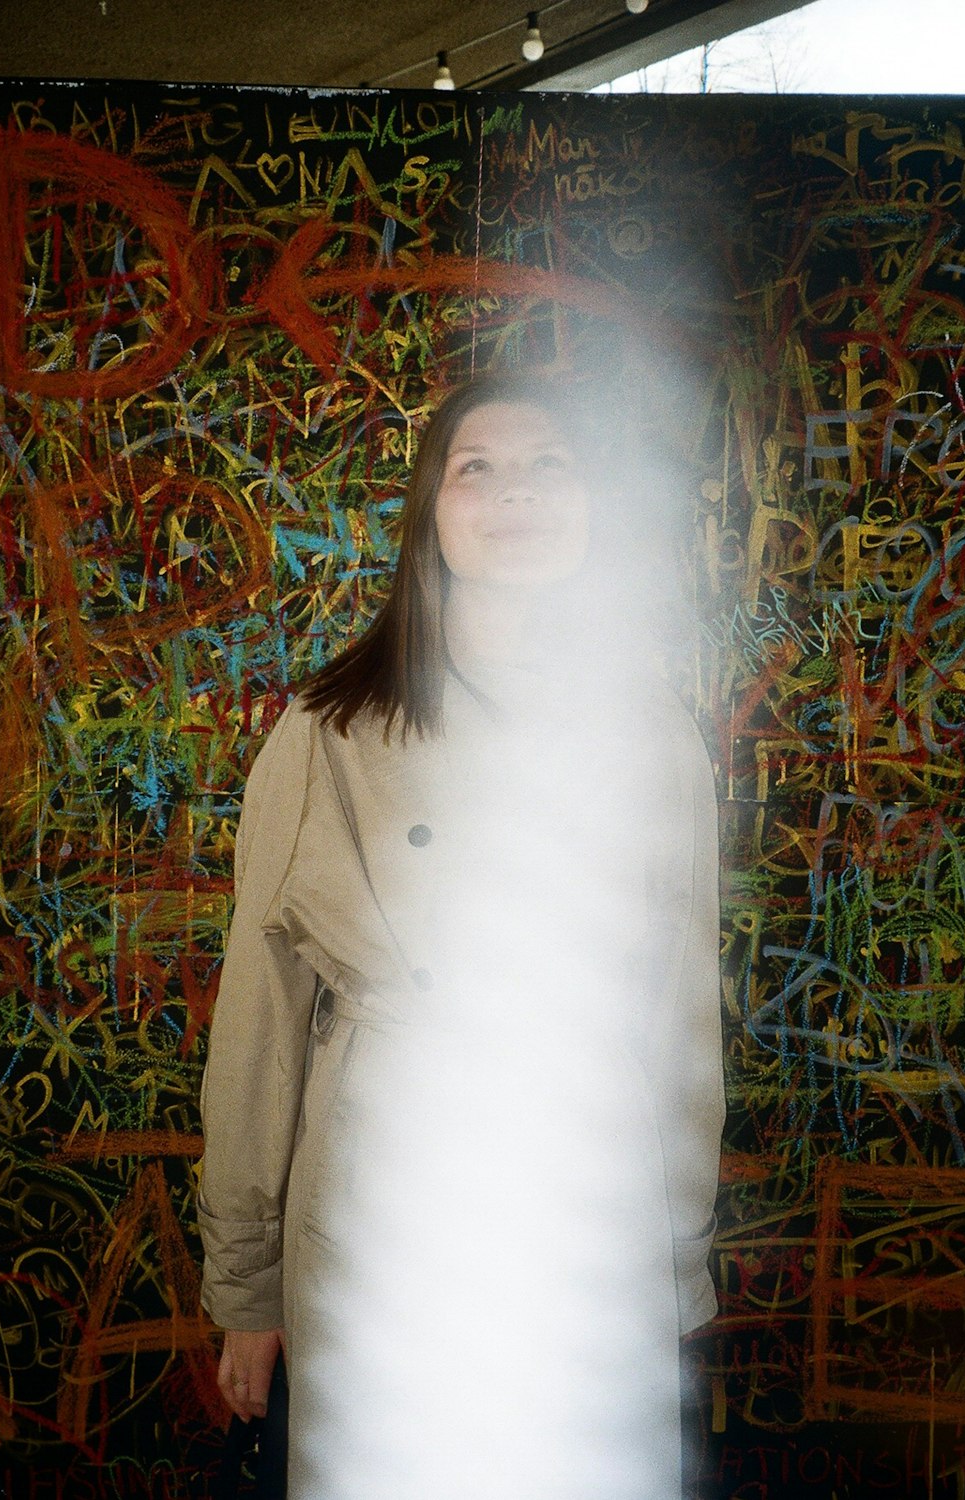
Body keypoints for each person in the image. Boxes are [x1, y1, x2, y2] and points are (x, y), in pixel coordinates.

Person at [198, 371, 725, 1500]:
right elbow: (260, 1024)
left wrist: (676, 1269)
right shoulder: (328, 732)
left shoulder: (654, 739)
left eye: (550, 466)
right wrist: (245, 1291)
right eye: (475, 466)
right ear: (429, 515)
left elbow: (678, 1020)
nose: (514, 491)